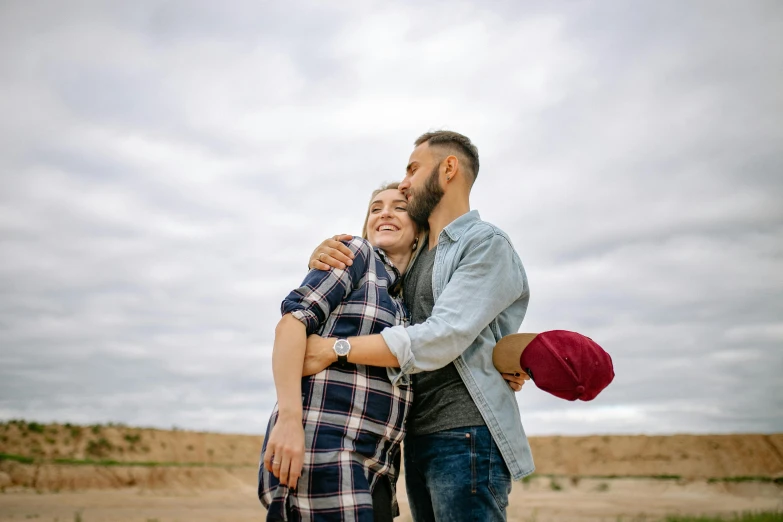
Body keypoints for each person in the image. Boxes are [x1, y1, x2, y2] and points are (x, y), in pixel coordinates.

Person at [304, 130, 533, 522]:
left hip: (467, 433)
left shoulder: (485, 243)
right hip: (413, 437)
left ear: (448, 169)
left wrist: (336, 348)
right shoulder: (417, 253)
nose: (405, 182)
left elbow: (445, 335)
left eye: (413, 169)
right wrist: (322, 252)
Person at [258, 183, 420, 521]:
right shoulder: (356, 254)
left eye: (399, 207)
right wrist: (288, 421)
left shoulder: (406, 299)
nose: (385, 212)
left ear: (420, 228)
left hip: (375, 465)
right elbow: (291, 324)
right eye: (376, 208)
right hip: (322, 449)